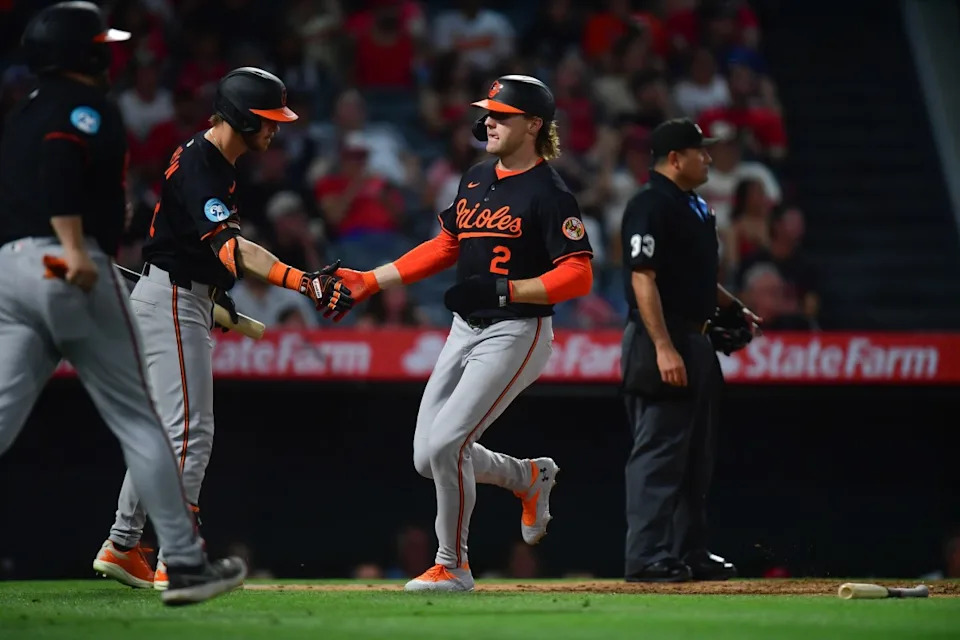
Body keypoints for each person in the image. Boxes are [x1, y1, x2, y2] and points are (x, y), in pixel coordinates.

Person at [0, 2, 245, 605]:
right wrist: (73, 246)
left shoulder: (21, 111)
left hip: (13, 270)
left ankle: (132, 546)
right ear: (80, 53)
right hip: (66, 265)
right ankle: (183, 565)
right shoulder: (79, 108)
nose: (108, 55)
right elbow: (62, 163)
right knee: (147, 419)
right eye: (99, 45)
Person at [92, 66, 353, 590]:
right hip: (171, 299)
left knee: (164, 431)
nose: (276, 129)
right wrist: (305, 282)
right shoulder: (204, 164)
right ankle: (180, 558)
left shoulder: (210, 159)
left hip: (179, 294)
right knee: (190, 432)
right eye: (267, 119)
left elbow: (203, 249)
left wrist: (213, 293)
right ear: (240, 116)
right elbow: (234, 249)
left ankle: (123, 545)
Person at [334, 75, 594, 591]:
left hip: (516, 332)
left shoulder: (550, 192)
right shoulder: (476, 176)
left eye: (502, 114)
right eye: (489, 112)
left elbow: (579, 273)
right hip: (464, 328)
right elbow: (445, 245)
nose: (490, 120)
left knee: (448, 443)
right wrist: (370, 280)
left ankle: (452, 566)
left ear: (534, 125)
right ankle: (527, 477)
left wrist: (506, 291)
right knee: (427, 457)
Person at [618, 118, 761, 582]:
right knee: (658, 454)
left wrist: (734, 306)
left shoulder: (693, 205)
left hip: (695, 339)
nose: (708, 157)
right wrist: (663, 346)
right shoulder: (649, 203)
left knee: (695, 458)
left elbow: (695, 276)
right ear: (674, 158)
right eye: (700, 150)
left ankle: (688, 552)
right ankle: (646, 557)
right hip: (662, 337)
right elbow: (643, 275)